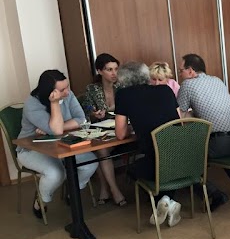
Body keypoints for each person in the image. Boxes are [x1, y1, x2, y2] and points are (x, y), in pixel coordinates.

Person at [17, 70, 98, 219]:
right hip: (31, 149)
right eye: (62, 90)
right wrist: (54, 104)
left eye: (67, 87)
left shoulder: (68, 94)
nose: (67, 92)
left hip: (61, 144)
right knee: (56, 174)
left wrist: (56, 128)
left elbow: (80, 118)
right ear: (50, 92)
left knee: (90, 163)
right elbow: (56, 130)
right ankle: (41, 200)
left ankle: (72, 192)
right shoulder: (32, 103)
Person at [177, 53, 230, 201]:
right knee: (217, 142)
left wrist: (192, 114)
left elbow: (180, 116)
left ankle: (213, 195)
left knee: (185, 158)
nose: (180, 74)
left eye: (181, 71)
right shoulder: (217, 80)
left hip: (222, 145)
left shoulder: (187, 85)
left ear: (191, 71)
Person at [114, 61, 182, 227]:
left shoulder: (123, 94)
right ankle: (168, 200)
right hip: (181, 155)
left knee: (133, 170)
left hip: (157, 160)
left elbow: (120, 134)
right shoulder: (166, 90)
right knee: (164, 166)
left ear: (123, 79)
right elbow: (179, 121)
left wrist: (134, 126)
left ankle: (164, 201)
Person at [81, 53, 126, 206]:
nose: (114, 73)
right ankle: (113, 189)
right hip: (101, 130)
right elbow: (86, 107)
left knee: (101, 151)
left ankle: (105, 189)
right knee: (101, 150)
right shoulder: (92, 89)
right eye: (109, 69)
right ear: (100, 71)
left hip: (121, 127)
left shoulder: (122, 86)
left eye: (116, 69)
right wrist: (93, 113)